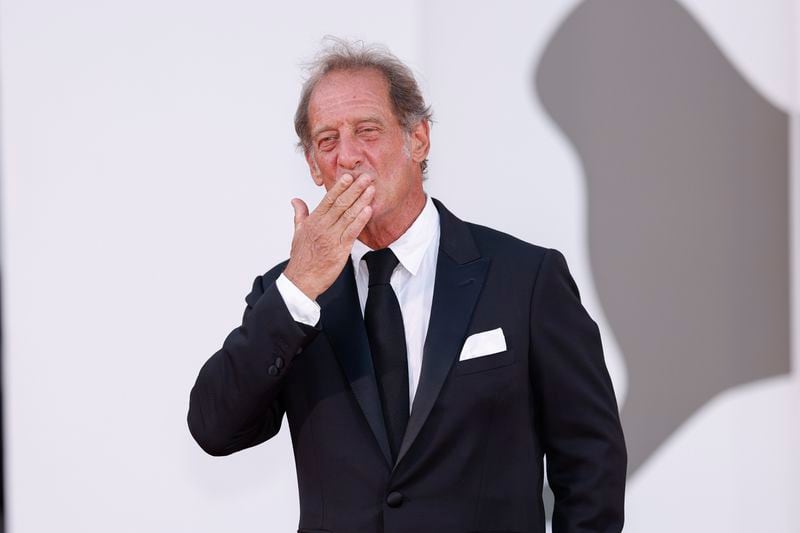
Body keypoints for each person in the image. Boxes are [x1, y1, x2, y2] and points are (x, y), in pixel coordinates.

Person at [188, 38, 627, 533]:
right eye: (327, 140)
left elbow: (591, 462)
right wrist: (300, 285)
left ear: (417, 140)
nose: (347, 155)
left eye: (367, 131)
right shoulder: (288, 297)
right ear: (313, 166)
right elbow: (214, 428)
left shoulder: (524, 278)